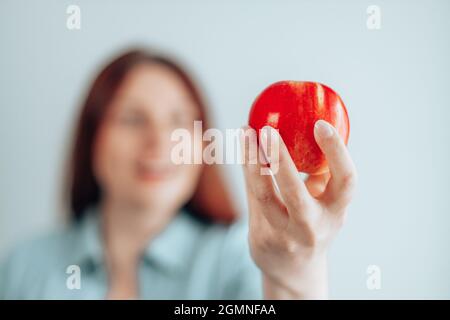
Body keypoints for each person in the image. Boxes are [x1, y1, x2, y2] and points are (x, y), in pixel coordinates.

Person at [0, 49, 357, 299]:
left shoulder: (237, 261)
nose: (159, 141)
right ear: (92, 138)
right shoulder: (25, 266)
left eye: (178, 121)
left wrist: (294, 273)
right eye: (132, 118)